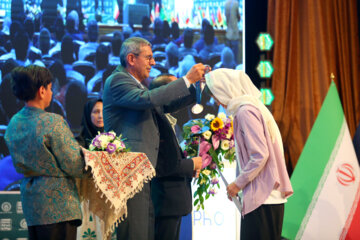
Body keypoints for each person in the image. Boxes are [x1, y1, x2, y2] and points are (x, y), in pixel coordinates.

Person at [102, 37, 207, 240]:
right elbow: (149, 100)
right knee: (136, 233)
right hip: (129, 172)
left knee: (144, 233)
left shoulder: (136, 85)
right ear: (131, 59)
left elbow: (162, 106)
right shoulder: (118, 80)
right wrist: (187, 80)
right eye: (149, 58)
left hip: (141, 172)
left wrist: (197, 89)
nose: (153, 63)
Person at [205, 68, 293, 240]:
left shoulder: (245, 112)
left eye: (215, 95)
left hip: (263, 197)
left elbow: (260, 155)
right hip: (266, 196)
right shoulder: (251, 108)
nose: (216, 102)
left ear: (226, 89)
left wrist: (238, 183)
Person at [4, 65, 86, 240]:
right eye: (50, 88)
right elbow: (74, 164)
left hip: (32, 203)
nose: (51, 93)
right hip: (59, 205)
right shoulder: (53, 122)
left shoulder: (14, 122)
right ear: (42, 90)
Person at [149, 74, 202, 240]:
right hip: (165, 200)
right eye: (179, 89)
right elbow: (163, 165)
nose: (182, 95)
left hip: (172, 201)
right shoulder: (154, 119)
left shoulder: (165, 117)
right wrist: (192, 164)